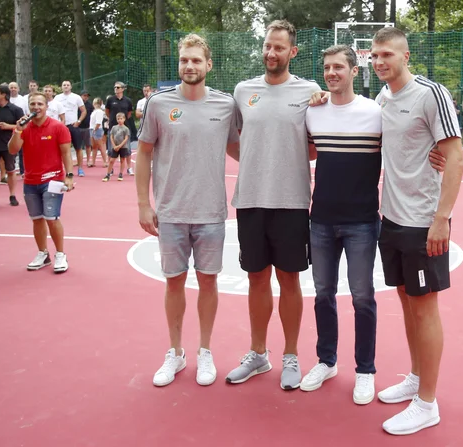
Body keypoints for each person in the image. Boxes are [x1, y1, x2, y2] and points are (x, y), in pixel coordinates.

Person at [371, 27, 463, 436]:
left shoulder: (431, 93)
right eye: (374, 56)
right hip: (391, 218)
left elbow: (456, 157)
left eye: (387, 55)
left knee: (425, 307)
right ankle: (414, 377)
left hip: (424, 221)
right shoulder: (381, 99)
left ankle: (428, 403)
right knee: (407, 300)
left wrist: (441, 217)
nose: (379, 62)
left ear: (406, 56)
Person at [135, 33, 239, 387]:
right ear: (178, 64)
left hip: (211, 212)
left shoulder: (226, 105)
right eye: (184, 60)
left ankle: (204, 351)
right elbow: (145, 152)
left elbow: (243, 149)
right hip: (171, 213)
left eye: (196, 60)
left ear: (208, 65)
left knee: (208, 283)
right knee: (174, 282)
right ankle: (176, 352)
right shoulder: (159, 104)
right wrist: (143, 204)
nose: (190, 66)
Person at [225, 20, 322, 390]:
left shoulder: (311, 91)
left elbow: (316, 145)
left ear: (292, 52)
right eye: (267, 46)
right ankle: (258, 354)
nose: (271, 53)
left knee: (289, 279)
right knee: (256, 278)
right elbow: (232, 140)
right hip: (250, 199)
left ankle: (292, 355)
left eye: (279, 47)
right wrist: (255, 161)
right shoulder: (243, 91)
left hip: (292, 201)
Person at [299, 45, 382, 404]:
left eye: (338, 67)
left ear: (353, 70)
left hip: (363, 221)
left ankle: (365, 370)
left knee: (363, 298)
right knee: (322, 295)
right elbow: (305, 151)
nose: (331, 72)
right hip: (321, 220)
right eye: (327, 67)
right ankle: (326, 360)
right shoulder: (313, 113)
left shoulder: (375, 113)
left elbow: (403, 146)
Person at [7, 92, 74, 273]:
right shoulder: (24, 128)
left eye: (40, 104)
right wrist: (18, 130)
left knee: (52, 218)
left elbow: (66, 153)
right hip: (30, 181)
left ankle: (60, 254)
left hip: (52, 179)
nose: (36, 107)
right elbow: (13, 150)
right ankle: (43, 254)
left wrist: (69, 176)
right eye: (33, 104)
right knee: (37, 219)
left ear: (47, 106)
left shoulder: (58, 127)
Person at [0, 84, 25, 206]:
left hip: (9, 145)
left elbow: (24, 125)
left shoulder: (16, 109)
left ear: (4, 95)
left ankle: (12, 195)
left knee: (11, 170)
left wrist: (8, 126)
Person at [54, 80, 87, 176]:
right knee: (62, 149)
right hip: (61, 126)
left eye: (68, 85)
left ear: (71, 87)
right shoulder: (57, 98)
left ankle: (80, 168)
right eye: (64, 85)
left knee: (78, 148)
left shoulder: (76, 97)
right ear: (61, 87)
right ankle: (62, 169)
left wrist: (78, 121)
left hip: (73, 125)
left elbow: (83, 111)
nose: (66, 86)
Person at [105, 82, 135, 175]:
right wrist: (113, 120)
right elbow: (107, 112)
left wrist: (123, 121)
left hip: (125, 127)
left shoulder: (128, 101)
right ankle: (111, 170)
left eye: (118, 87)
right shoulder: (110, 100)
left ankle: (129, 168)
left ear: (122, 89)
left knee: (127, 149)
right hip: (113, 127)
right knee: (111, 149)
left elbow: (129, 113)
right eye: (115, 87)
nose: (116, 89)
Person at [103, 112, 130, 182]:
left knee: (122, 160)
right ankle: (108, 174)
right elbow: (111, 137)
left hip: (123, 147)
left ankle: (121, 173)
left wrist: (120, 146)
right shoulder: (114, 127)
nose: (119, 120)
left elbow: (126, 138)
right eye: (118, 119)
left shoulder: (126, 129)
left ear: (124, 119)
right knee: (111, 160)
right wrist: (114, 146)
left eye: (121, 119)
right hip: (115, 147)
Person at [88, 98, 107, 167]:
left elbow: (98, 122)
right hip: (92, 128)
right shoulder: (95, 111)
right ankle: (93, 161)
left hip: (97, 129)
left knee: (100, 146)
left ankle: (105, 161)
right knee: (94, 147)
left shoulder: (99, 111)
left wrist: (95, 129)